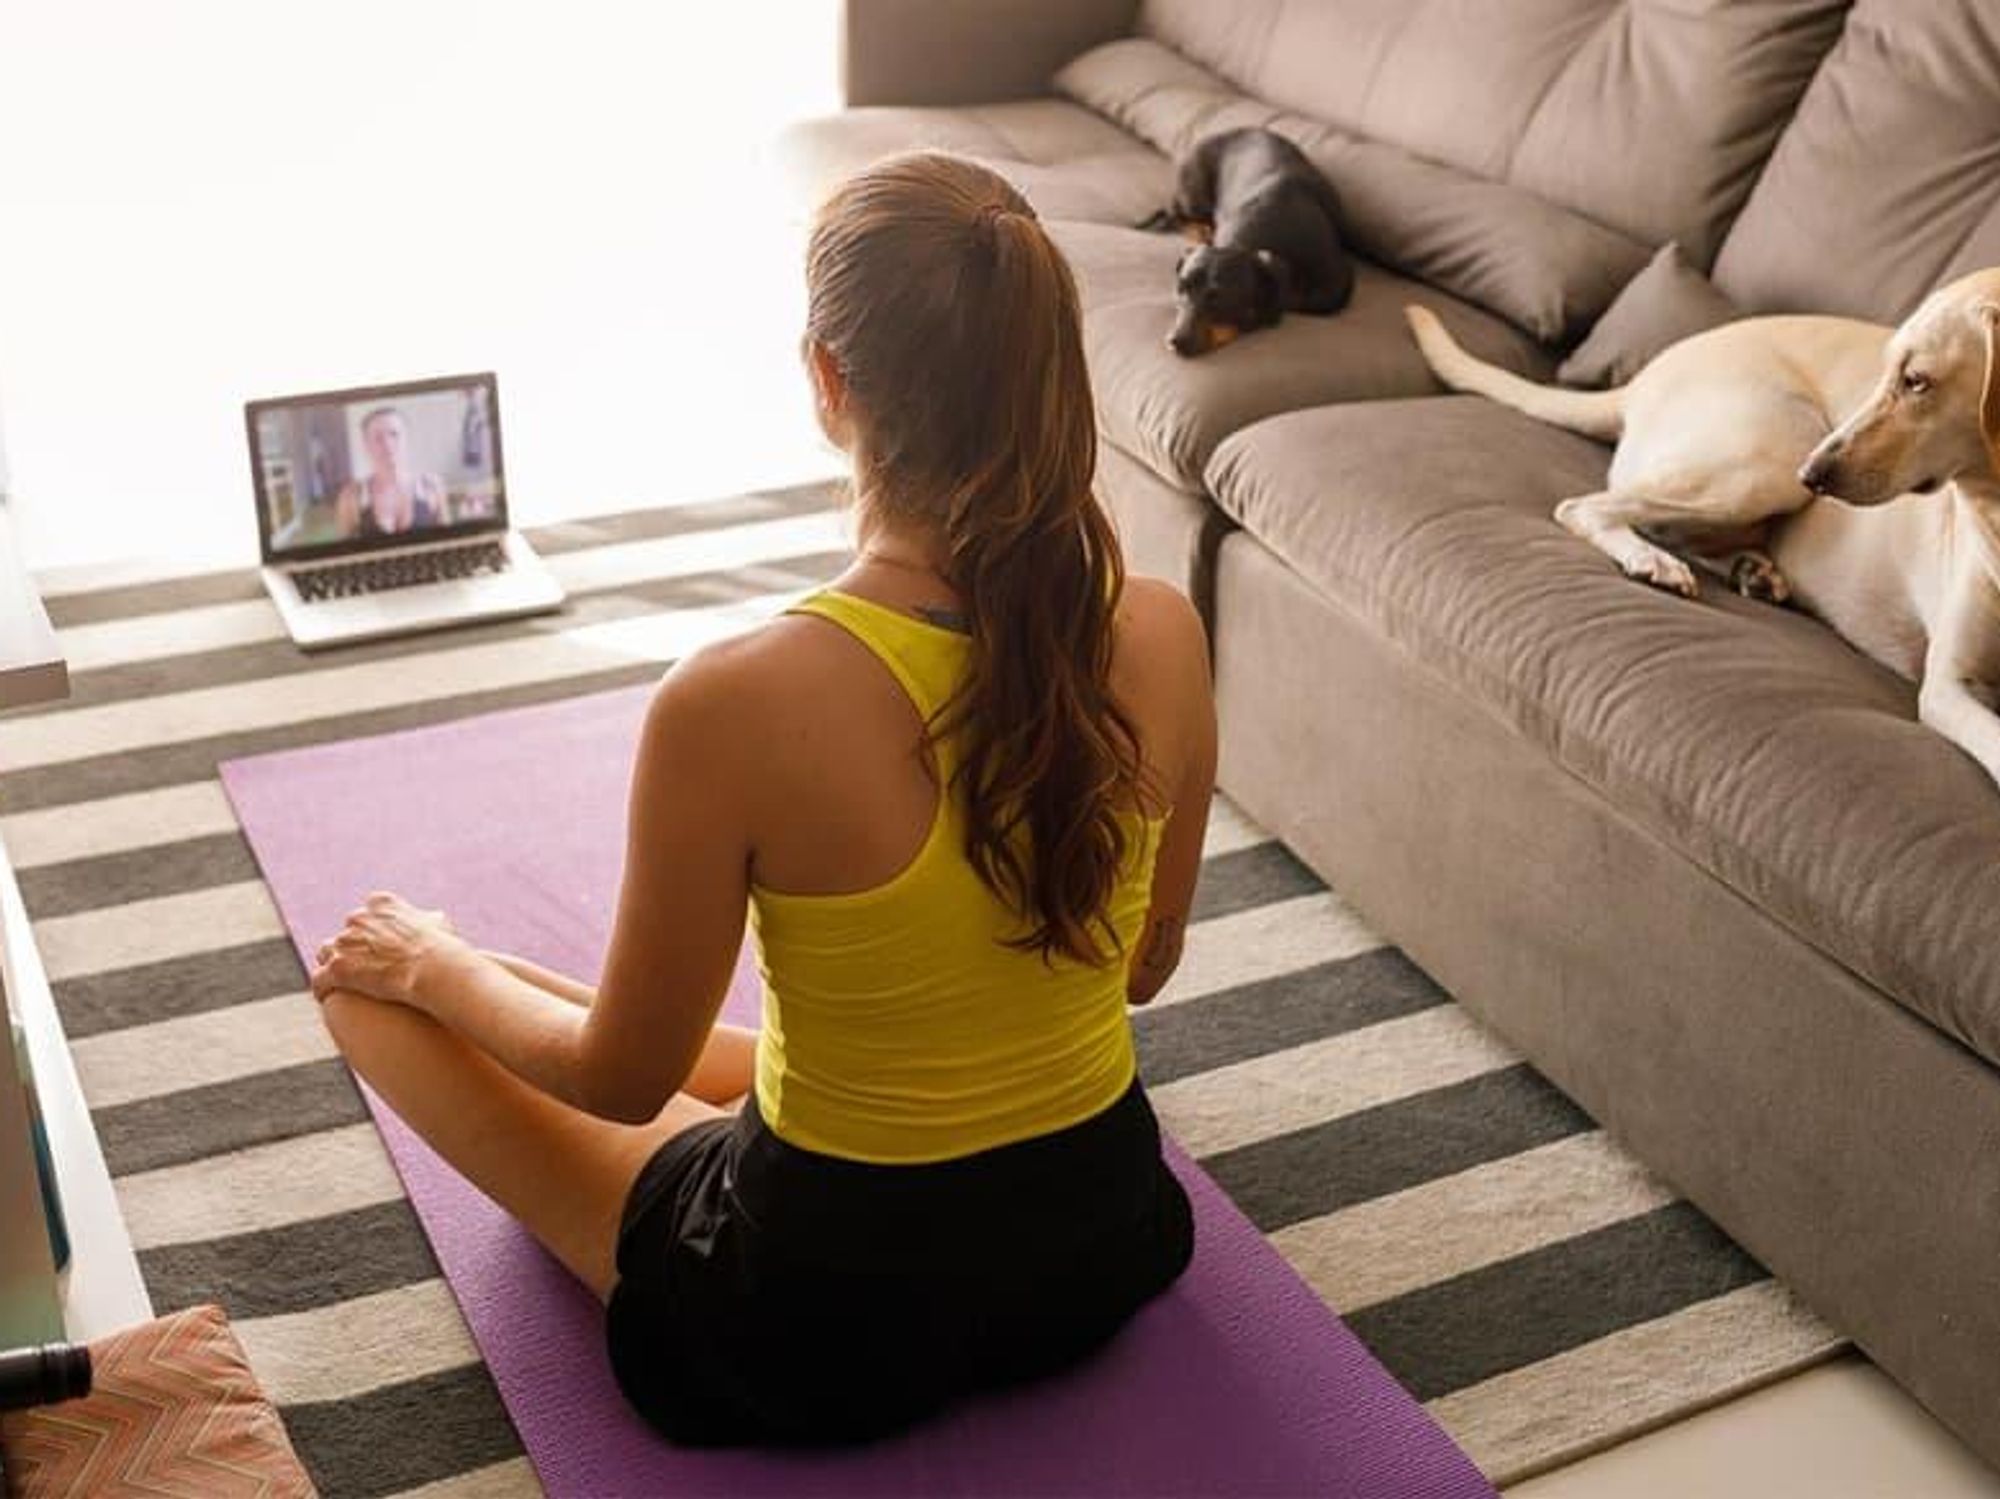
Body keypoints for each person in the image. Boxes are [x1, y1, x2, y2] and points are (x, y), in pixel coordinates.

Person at [308, 153, 1217, 1445]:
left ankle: (435, 968)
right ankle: (469, 970)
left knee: (370, 987)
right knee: (495, 980)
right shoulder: (1164, 629)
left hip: (812, 1318)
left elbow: (621, 1080)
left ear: (826, 378)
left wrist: (434, 968)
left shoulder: (734, 698)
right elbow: (1139, 969)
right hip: (1105, 1239)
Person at [334, 406, 448, 537]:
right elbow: (345, 545)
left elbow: (447, 540)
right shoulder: (352, 496)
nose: (388, 444)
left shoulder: (431, 486)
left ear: (406, 438)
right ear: (366, 445)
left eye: (394, 434)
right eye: (378, 438)